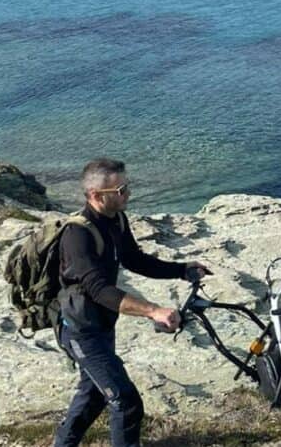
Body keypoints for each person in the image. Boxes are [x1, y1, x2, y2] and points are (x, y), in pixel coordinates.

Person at [54, 158, 209, 447]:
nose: (129, 194)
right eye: (121, 189)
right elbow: (99, 290)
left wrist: (181, 268)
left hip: (101, 326)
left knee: (93, 395)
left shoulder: (117, 220)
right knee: (126, 403)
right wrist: (153, 311)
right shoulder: (77, 235)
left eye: (127, 186)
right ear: (96, 196)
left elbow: (135, 260)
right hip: (80, 331)